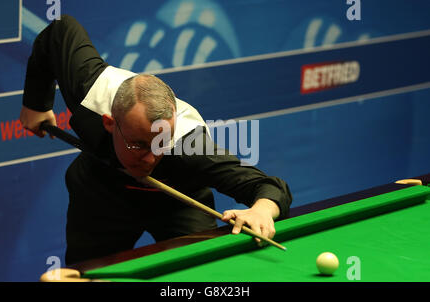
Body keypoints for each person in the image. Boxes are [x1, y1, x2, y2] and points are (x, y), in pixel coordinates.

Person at [20, 15, 292, 265]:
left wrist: (261, 211)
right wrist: (35, 103)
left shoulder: (189, 146)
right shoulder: (89, 96)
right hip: (102, 191)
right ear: (110, 124)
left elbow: (268, 187)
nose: (150, 159)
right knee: (90, 274)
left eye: (161, 144)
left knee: (201, 271)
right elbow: (60, 30)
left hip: (179, 201)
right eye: (138, 144)